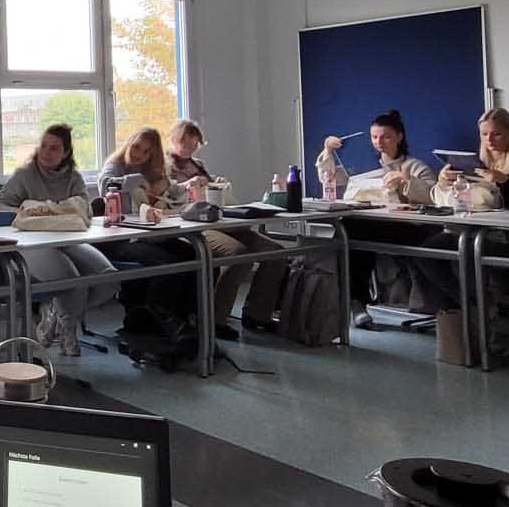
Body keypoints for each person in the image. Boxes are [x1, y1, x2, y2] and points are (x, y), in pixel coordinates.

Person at [414, 109, 509, 310]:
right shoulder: (474, 163)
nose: (489, 139)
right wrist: (444, 180)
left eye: (496, 134)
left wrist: (505, 182)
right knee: (426, 252)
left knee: (471, 249)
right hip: (473, 229)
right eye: (484, 134)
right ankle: (468, 305)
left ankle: (478, 307)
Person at [162, 120, 294, 340]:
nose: (189, 150)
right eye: (185, 144)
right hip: (189, 224)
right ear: (175, 140)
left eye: (194, 145)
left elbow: (211, 191)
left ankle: (258, 314)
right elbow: (166, 195)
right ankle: (214, 320)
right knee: (237, 255)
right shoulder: (163, 165)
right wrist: (187, 185)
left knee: (275, 252)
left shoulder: (197, 164)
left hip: (217, 217)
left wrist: (217, 184)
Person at [0, 124, 118, 356]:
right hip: (32, 243)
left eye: (54, 148)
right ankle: (68, 330)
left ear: (66, 152)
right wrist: (29, 211)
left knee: (108, 279)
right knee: (72, 281)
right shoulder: (24, 175)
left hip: (69, 239)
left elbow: (86, 211)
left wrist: (58, 210)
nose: (47, 152)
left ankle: (57, 316)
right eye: (43, 146)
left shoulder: (74, 177)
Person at [317, 109, 438, 330]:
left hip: (408, 228)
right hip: (370, 224)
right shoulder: (363, 166)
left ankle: (351, 301)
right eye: (374, 137)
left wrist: (406, 181)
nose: (379, 142)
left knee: (352, 231)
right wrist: (328, 151)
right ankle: (351, 301)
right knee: (349, 229)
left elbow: (434, 196)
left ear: (399, 137)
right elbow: (329, 177)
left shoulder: (414, 166)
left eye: (386, 137)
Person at [96, 127, 201, 330]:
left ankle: (187, 315)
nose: (139, 155)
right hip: (119, 239)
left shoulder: (151, 170)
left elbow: (172, 190)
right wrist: (137, 180)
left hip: (147, 234)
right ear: (129, 143)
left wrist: (187, 186)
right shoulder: (115, 166)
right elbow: (106, 184)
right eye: (137, 147)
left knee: (194, 254)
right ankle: (154, 319)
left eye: (146, 152)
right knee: (168, 263)